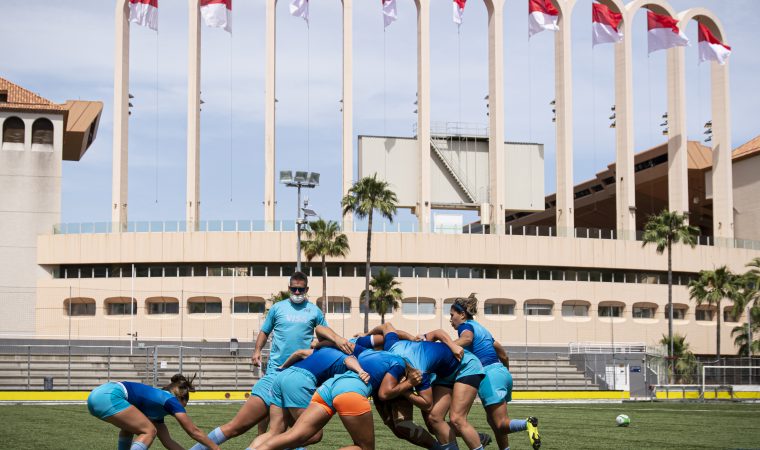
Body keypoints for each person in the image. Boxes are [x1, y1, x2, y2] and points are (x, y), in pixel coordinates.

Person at [190, 271, 352, 450]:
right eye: (294, 289)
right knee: (237, 428)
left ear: (306, 289)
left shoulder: (314, 311)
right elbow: (265, 331)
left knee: (290, 433)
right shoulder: (278, 308)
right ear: (289, 288)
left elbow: (323, 333)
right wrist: (257, 350)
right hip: (275, 374)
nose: (297, 293)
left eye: (300, 289)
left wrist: (327, 341)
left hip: (297, 378)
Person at [249, 349, 423, 450]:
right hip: (350, 392)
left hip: (327, 388)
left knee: (294, 435)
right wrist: (409, 384)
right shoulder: (399, 363)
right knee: (365, 448)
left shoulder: (370, 352)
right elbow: (386, 393)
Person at [365, 323, 488, 450]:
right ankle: (471, 439)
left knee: (457, 419)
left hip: (466, 367)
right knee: (434, 419)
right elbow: (386, 326)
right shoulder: (391, 346)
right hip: (445, 375)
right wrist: (367, 335)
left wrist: (403, 389)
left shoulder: (417, 372)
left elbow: (427, 403)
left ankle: (476, 440)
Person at [443, 295, 541, 450]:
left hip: (488, 375)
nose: (450, 319)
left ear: (462, 315)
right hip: (502, 373)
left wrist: (445, 346)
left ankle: (527, 423)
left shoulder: (465, 326)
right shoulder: (482, 329)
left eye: (452, 315)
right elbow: (503, 353)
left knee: (501, 424)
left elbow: (467, 339)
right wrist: (503, 372)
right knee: (493, 421)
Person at [247, 343, 370, 449]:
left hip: (283, 376)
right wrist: (360, 371)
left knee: (275, 431)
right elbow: (349, 360)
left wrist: (282, 367)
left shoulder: (320, 351)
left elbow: (298, 353)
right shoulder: (346, 356)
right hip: (298, 381)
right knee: (314, 434)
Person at [87, 374, 220, 450]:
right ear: (180, 398)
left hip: (97, 395)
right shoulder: (171, 400)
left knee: (130, 428)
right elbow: (194, 431)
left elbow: (168, 442)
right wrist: (216, 448)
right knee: (149, 431)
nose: (183, 410)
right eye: (184, 406)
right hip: (110, 395)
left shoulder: (157, 412)